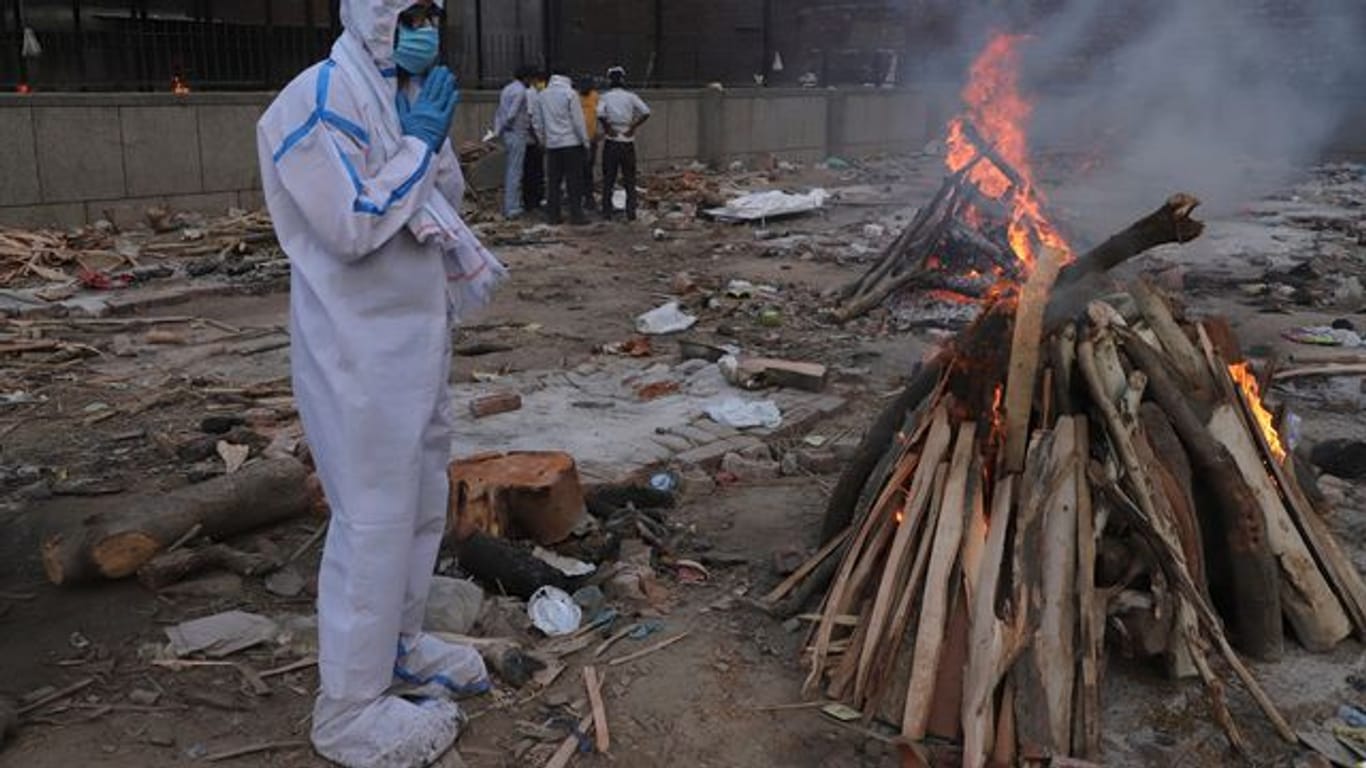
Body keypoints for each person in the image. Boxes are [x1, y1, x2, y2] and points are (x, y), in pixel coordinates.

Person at [255, 2, 504, 765]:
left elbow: (442, 204)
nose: (424, 26)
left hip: (413, 337)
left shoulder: (398, 96)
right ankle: (348, 706)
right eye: (408, 11)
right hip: (356, 349)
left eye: (432, 10)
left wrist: (424, 136)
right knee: (370, 521)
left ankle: (399, 644)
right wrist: (419, 144)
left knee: (422, 501)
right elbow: (353, 224)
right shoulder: (315, 99)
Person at [532, 65, 590, 225]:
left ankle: (553, 216)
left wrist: (542, 139)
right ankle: (576, 215)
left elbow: (537, 121)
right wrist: (585, 142)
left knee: (553, 182)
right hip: (571, 143)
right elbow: (578, 122)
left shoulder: (542, 95)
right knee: (574, 181)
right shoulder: (570, 94)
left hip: (552, 145)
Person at [597, 66, 651, 221]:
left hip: (612, 140)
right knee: (629, 178)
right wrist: (633, 127)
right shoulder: (631, 96)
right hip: (627, 140)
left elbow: (599, 113)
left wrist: (608, 128)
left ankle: (606, 212)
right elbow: (646, 112)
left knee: (609, 178)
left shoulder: (605, 97)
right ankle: (630, 212)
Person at [492, 65, 536, 219]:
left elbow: (499, 111)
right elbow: (511, 114)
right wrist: (508, 125)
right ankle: (513, 207)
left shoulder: (507, 89)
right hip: (517, 132)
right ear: (526, 77)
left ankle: (509, 205)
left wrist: (499, 130)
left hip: (508, 134)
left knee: (511, 169)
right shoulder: (521, 92)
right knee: (516, 171)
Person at [522, 72, 547, 213]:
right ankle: (533, 202)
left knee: (533, 171)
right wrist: (538, 140)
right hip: (532, 141)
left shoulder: (535, 94)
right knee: (533, 172)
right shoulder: (531, 94)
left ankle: (533, 201)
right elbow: (530, 119)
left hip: (533, 139)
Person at [576, 75, 600, 212]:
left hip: (590, 139)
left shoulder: (595, 96)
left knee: (587, 170)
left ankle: (588, 198)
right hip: (578, 140)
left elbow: (599, 114)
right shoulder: (574, 97)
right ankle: (581, 198)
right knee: (579, 171)